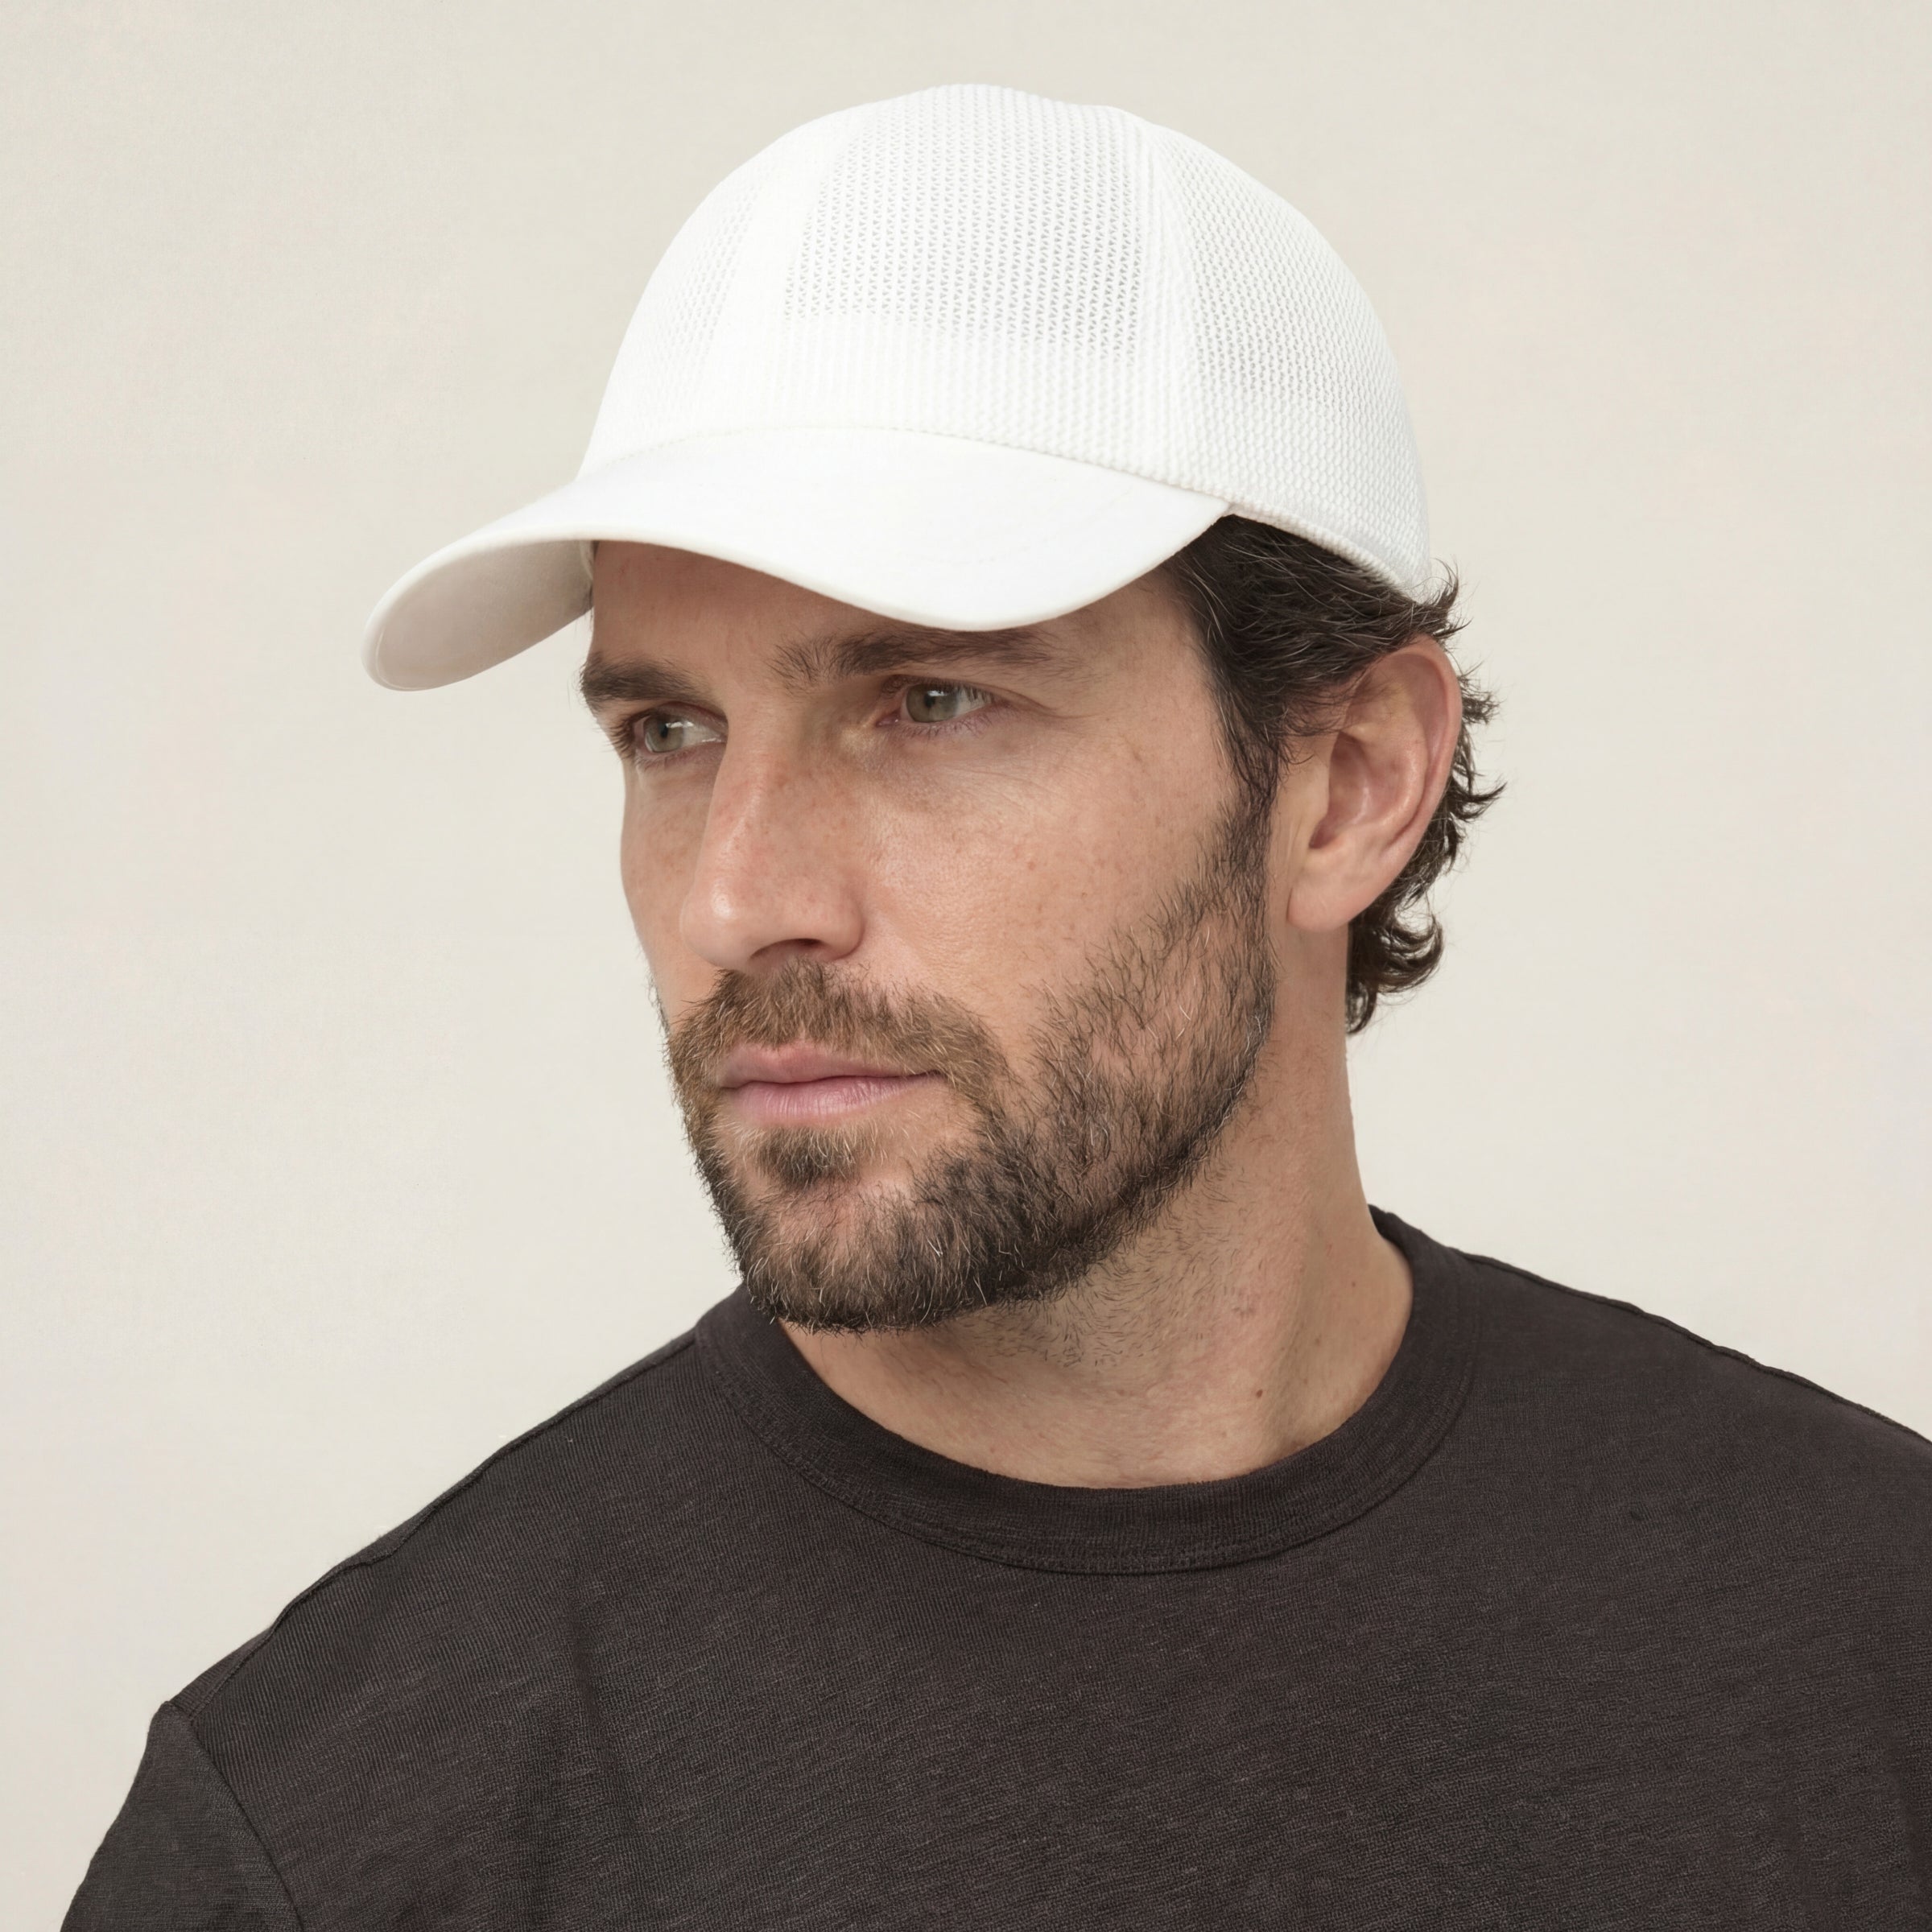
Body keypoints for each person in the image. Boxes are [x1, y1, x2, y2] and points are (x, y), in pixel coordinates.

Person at [68, 84, 1930, 1930]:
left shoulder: (1865, 1641)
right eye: (671, 730)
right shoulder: (335, 1845)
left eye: (932, 704)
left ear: (1349, 781)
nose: (736, 901)